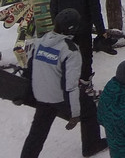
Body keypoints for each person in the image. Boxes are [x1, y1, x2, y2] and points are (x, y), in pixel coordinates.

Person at [20, 9, 106, 158]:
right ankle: (91, 145)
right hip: (59, 97)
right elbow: (71, 86)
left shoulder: (40, 41)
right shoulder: (70, 51)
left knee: (38, 131)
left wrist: (27, 94)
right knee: (90, 109)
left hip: (42, 95)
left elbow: (30, 69)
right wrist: (75, 114)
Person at [50, 0, 109, 84]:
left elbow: (53, 9)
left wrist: (57, 29)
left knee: (67, 57)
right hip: (83, 30)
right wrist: (101, 31)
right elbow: (95, 11)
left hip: (63, 31)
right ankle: (85, 83)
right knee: (85, 58)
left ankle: (67, 84)